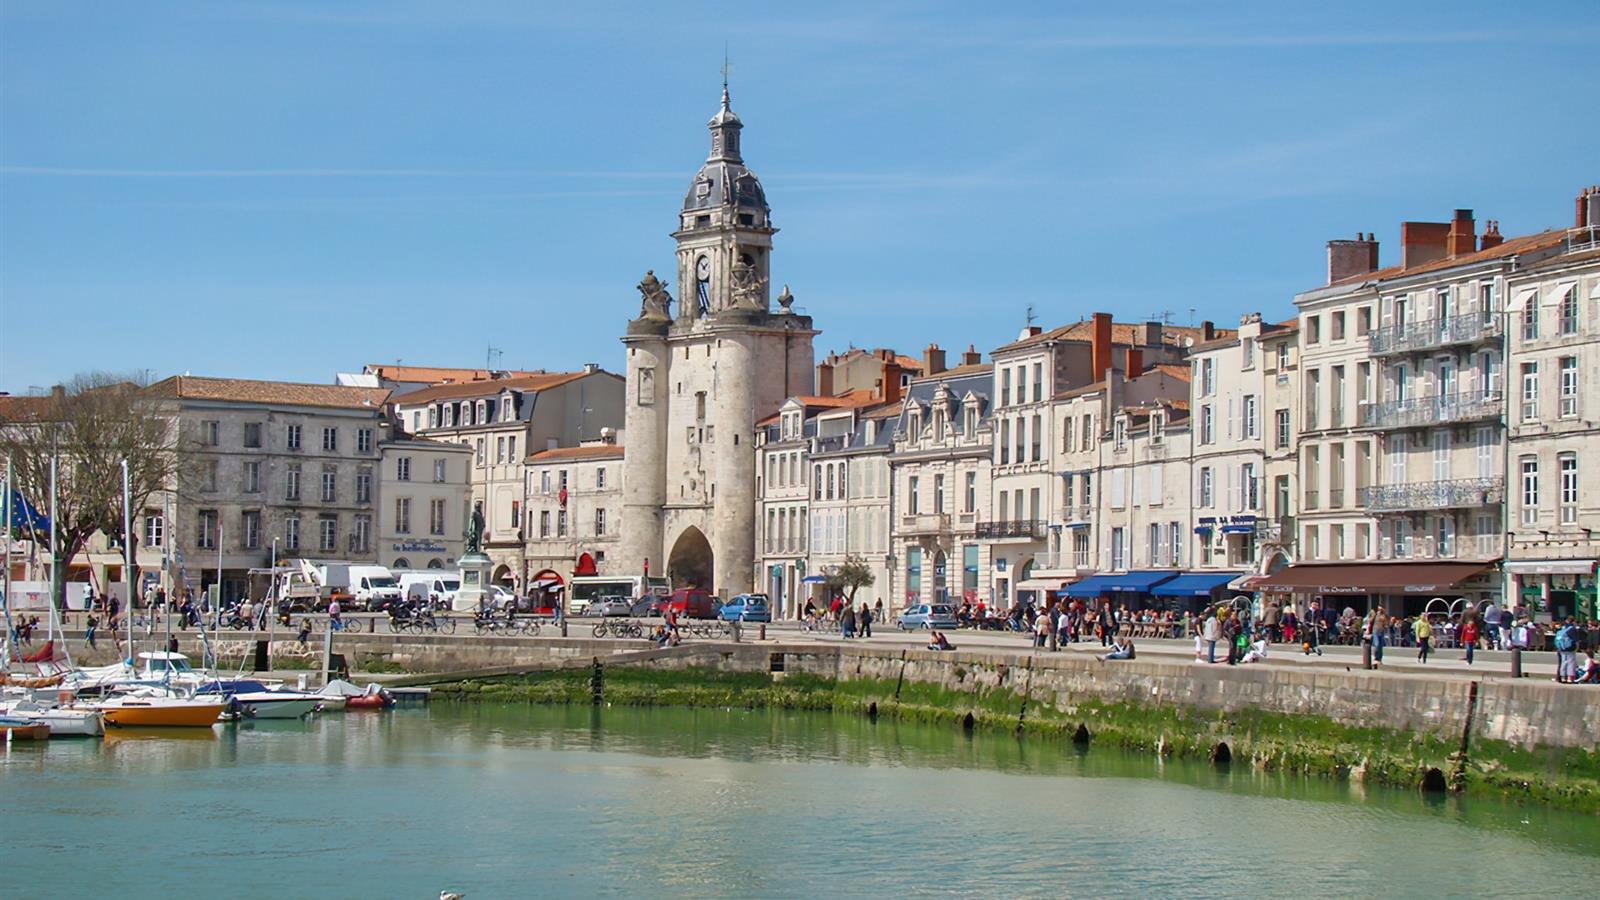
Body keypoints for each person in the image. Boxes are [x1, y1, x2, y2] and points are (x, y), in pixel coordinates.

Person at [1553, 616, 1581, 684]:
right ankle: (1569, 678)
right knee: (1571, 662)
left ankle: (1563, 678)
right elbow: (1576, 640)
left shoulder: (1563, 628)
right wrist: (1577, 648)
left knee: (1563, 662)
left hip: (1562, 648)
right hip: (1570, 648)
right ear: (1573, 621)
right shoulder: (1572, 629)